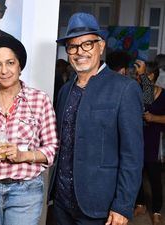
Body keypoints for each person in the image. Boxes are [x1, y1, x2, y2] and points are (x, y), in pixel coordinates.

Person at [47, 12, 143, 225]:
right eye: (72, 46)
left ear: (101, 46)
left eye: (87, 44)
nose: (79, 52)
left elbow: (132, 155)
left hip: (99, 206)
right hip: (61, 203)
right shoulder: (64, 91)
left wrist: (123, 205)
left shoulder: (125, 89)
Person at [0, 36, 58, 225]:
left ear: (19, 66)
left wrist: (23, 155)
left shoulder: (39, 100)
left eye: (10, 63)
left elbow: (52, 148)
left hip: (26, 190)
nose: (4, 70)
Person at [134, 61, 165, 225]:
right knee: (136, 174)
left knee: (154, 178)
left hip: (155, 142)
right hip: (138, 140)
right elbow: (147, 95)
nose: (137, 78)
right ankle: (141, 204)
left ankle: (156, 211)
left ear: (151, 75)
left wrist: (154, 118)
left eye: (140, 75)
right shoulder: (141, 92)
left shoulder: (164, 95)